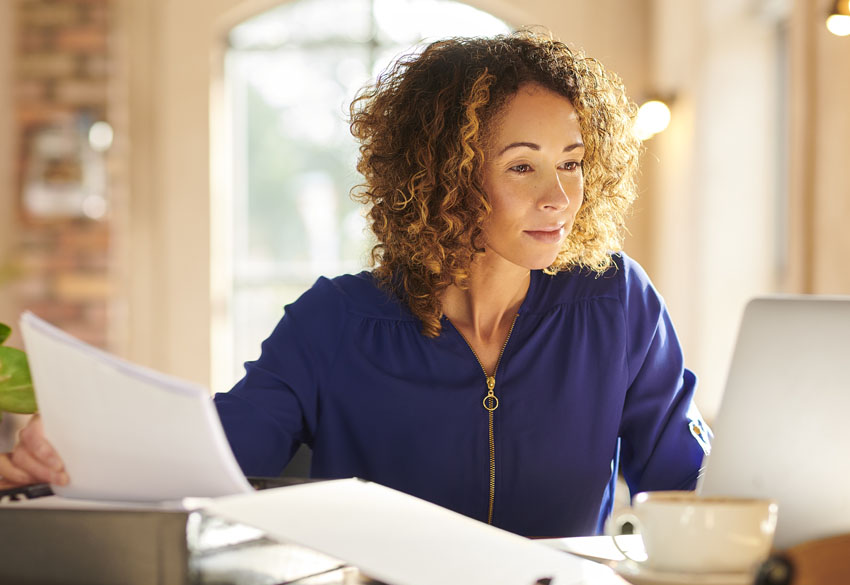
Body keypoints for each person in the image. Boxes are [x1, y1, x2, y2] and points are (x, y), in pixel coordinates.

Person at [0, 31, 711, 537]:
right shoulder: (333, 324)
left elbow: (689, 478)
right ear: (446, 177)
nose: (560, 196)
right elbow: (214, 457)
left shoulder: (614, 302)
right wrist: (65, 455)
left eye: (574, 162)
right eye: (522, 166)